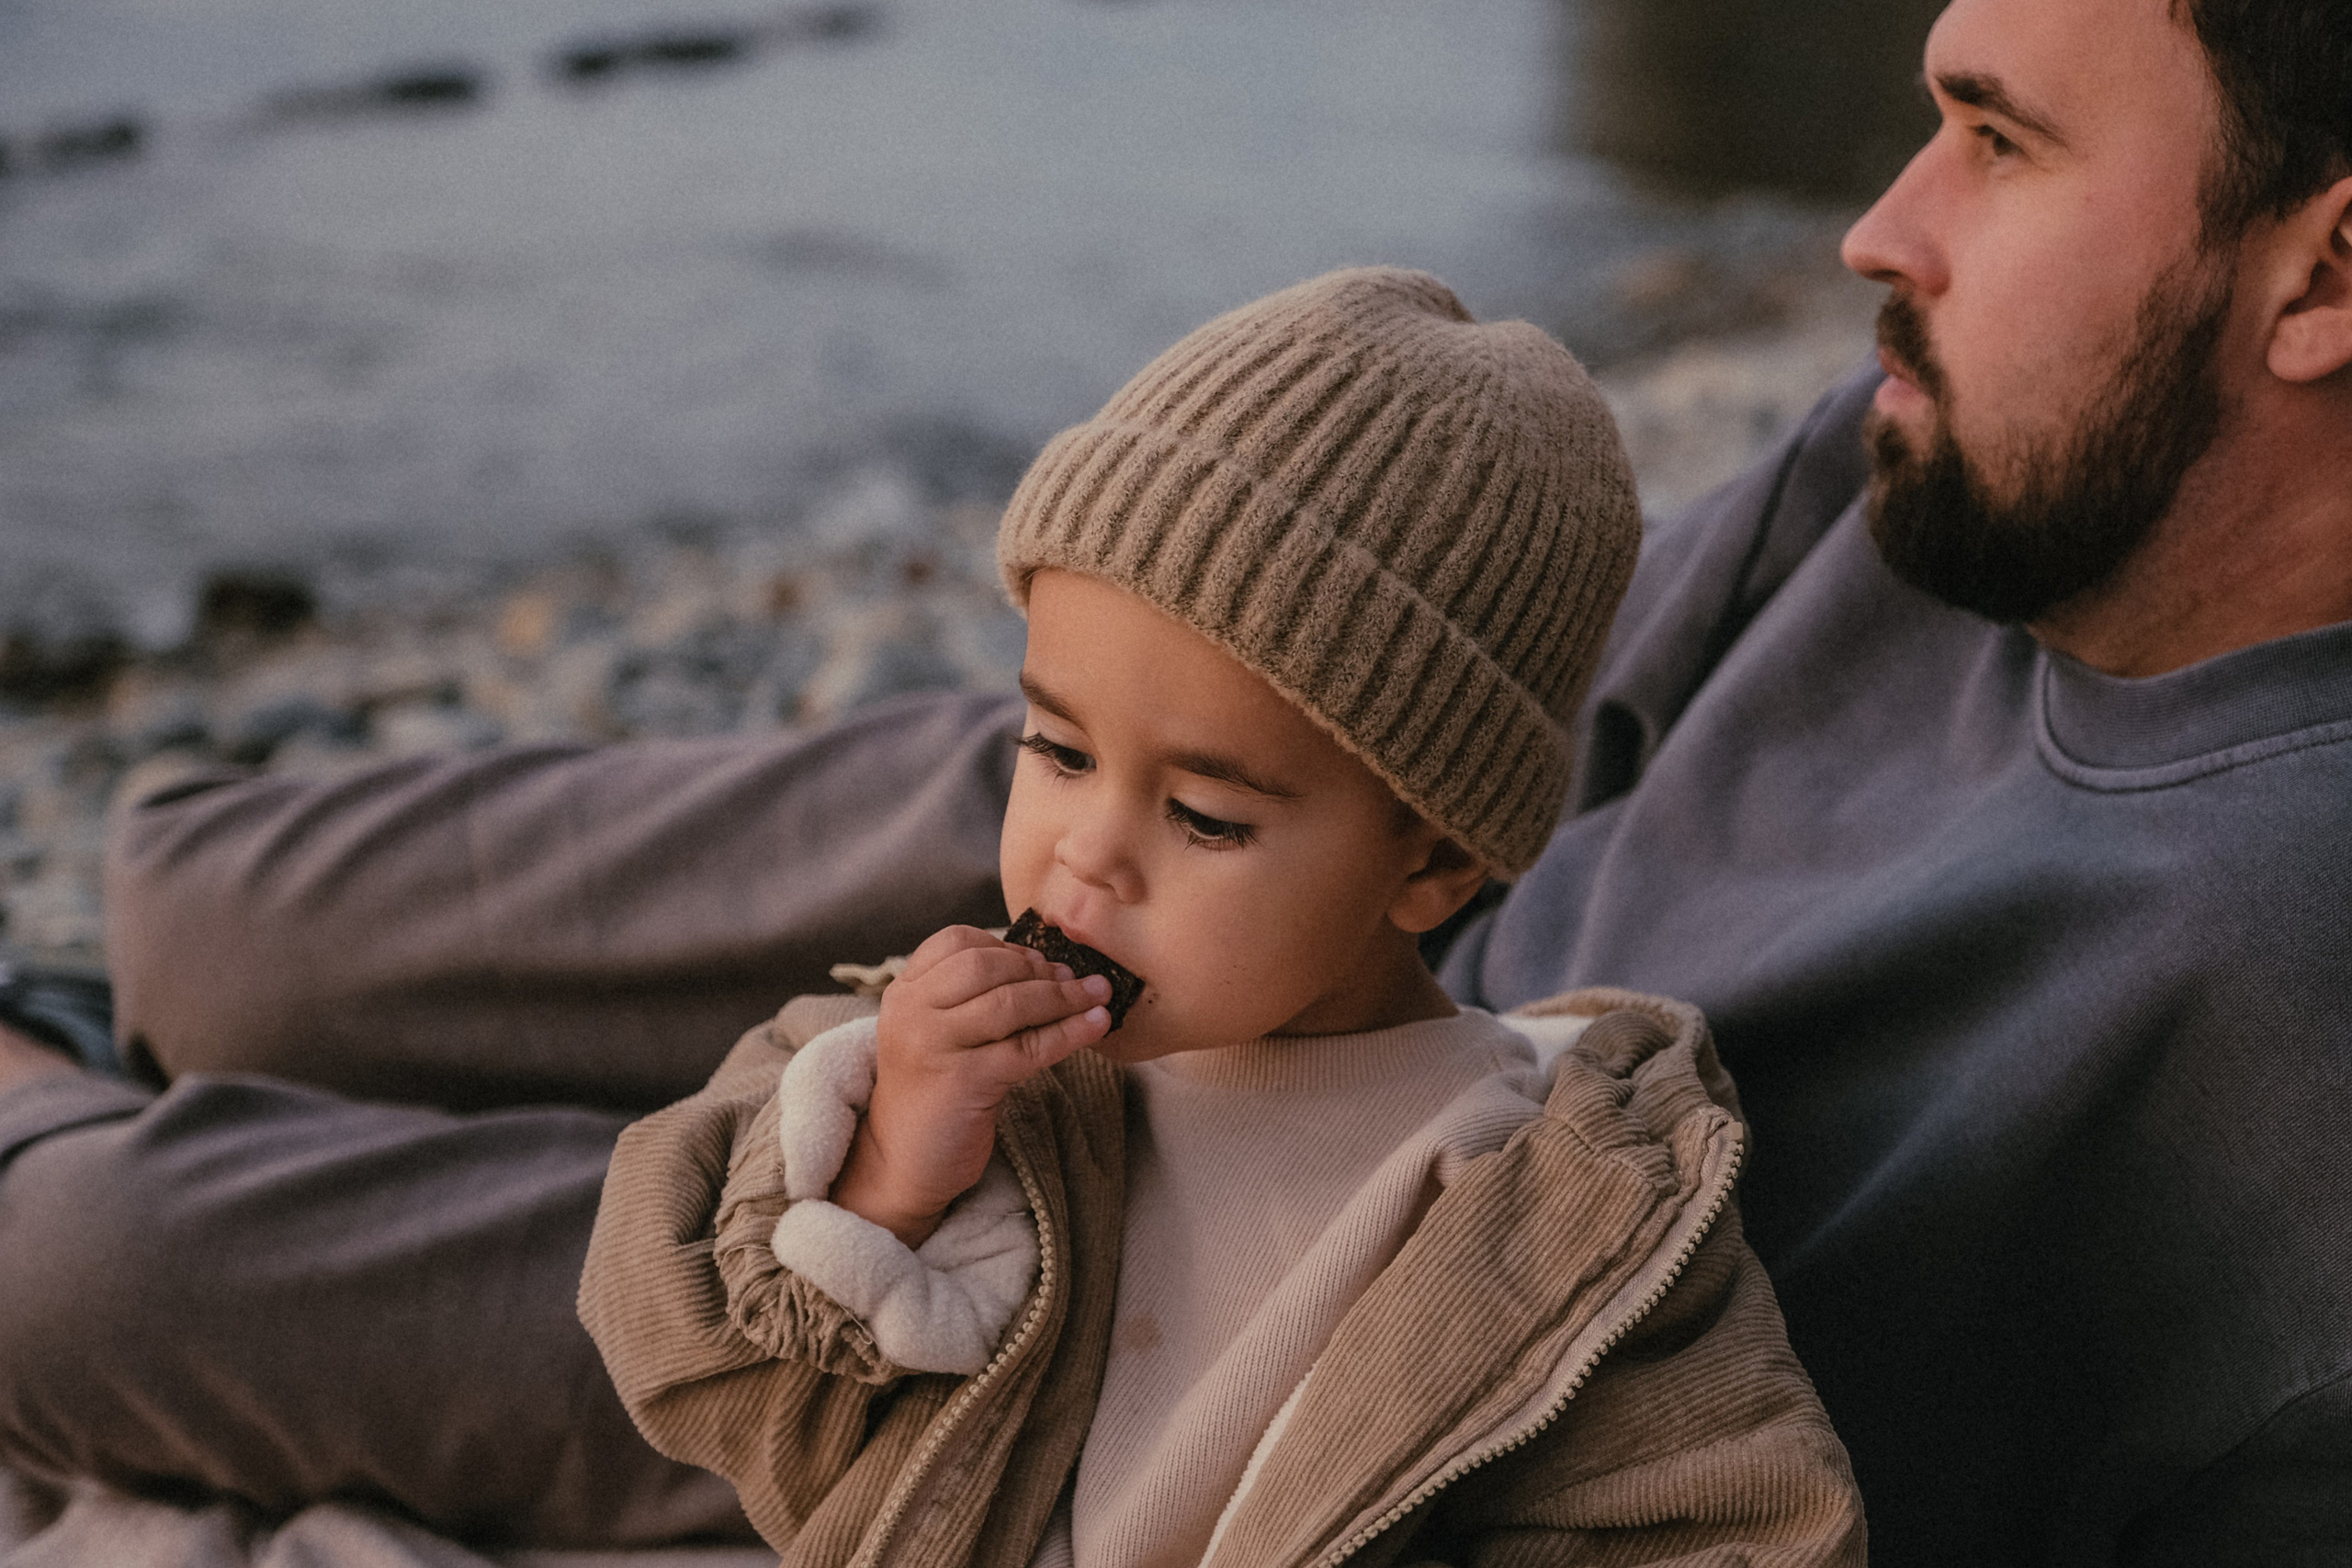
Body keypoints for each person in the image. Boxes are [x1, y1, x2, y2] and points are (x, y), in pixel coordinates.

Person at [0, 0, 2346, 1559]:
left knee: (74, 1262)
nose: (1876, 223)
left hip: (1197, 1307)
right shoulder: (1950, 461)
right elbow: (1482, 699)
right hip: (1234, 845)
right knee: (218, 900)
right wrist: (1136, 778)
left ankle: (65, 1102)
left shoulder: (2265, 969)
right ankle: (131, 1022)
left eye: (1996, 140)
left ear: (2322, 270)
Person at [574, 267, 1865, 1566]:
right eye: (1057, 751)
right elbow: (690, 1374)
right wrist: (888, 1184)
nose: (1088, 858)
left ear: (1433, 861)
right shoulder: (942, 1083)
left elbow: (1737, 1527)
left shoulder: (1556, 1206)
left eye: (1204, 816)